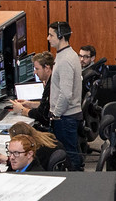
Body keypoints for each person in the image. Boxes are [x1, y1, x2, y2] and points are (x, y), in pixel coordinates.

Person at [44, 21, 84, 169]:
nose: (48, 38)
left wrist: (55, 113)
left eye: (51, 35)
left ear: (61, 37)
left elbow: (66, 94)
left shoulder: (65, 60)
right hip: (67, 116)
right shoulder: (66, 55)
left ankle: (74, 182)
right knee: (71, 152)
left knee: (69, 155)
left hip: (65, 117)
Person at [8, 52, 55, 128]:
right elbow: (47, 105)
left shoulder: (52, 85)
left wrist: (22, 110)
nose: (34, 72)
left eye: (37, 69)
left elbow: (41, 115)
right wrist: (30, 104)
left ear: (47, 68)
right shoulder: (51, 81)